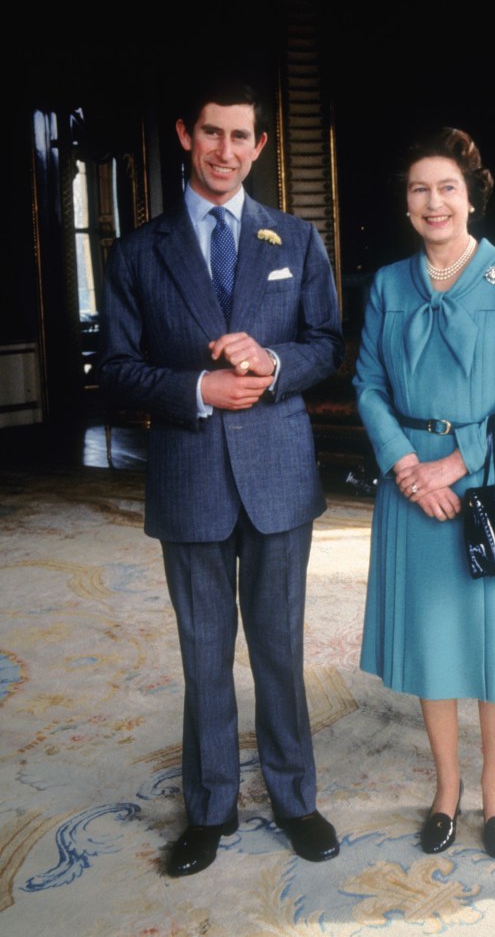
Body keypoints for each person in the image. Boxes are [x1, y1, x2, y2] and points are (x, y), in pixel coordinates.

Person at [98, 78, 344, 877]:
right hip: (190, 476)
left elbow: (325, 345)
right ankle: (209, 809)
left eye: (241, 138)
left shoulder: (296, 241)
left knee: (278, 647)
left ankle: (295, 797)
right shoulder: (137, 251)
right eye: (211, 134)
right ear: (184, 134)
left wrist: (272, 364)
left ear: (261, 146)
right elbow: (116, 371)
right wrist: (197, 389)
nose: (225, 152)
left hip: (278, 477)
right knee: (204, 654)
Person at [353, 127, 495, 859]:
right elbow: (367, 385)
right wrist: (409, 465)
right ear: (405, 204)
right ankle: (446, 786)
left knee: (493, 646)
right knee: (435, 643)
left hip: (488, 476)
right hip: (409, 480)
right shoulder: (385, 285)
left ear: (471, 198)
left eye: (446, 187)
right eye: (418, 189)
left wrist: (457, 461)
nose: (432, 202)